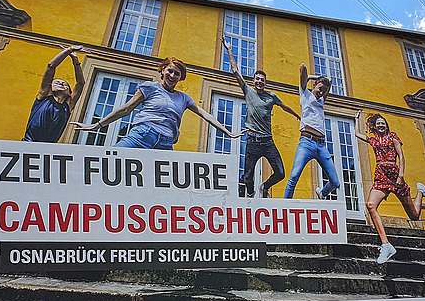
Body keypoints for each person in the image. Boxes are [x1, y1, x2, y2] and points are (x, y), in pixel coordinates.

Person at [73, 57, 238, 149]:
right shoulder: (150, 88)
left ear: (181, 78)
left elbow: (205, 115)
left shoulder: (184, 98)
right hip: (142, 135)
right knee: (112, 160)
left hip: (165, 143)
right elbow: (126, 109)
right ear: (162, 70)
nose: (173, 75)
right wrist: (99, 125)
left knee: (164, 185)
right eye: (170, 71)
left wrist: (227, 132)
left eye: (177, 74)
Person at [222, 39, 300, 198]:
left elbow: (284, 106)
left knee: (280, 173)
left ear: (265, 83)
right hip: (252, 142)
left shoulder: (272, 96)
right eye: (257, 79)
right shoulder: (248, 91)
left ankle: (264, 186)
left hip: (268, 142)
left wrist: (298, 116)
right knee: (247, 176)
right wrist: (229, 50)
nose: (259, 81)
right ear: (253, 81)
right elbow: (236, 71)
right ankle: (250, 194)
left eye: (262, 80)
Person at [355, 110, 425, 264]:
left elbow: (401, 156)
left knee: (414, 215)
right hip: (381, 175)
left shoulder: (393, 136)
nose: (380, 125)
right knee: (371, 205)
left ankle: (420, 192)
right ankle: (386, 245)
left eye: (383, 123)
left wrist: (401, 175)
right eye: (378, 124)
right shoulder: (374, 141)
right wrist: (356, 118)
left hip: (394, 174)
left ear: (386, 126)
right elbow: (358, 134)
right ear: (375, 127)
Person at [283, 63, 340, 199]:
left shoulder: (322, 100)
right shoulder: (305, 94)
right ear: (313, 86)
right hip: (306, 143)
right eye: (320, 89)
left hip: (321, 145)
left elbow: (330, 82)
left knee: (335, 182)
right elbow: (302, 68)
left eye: (324, 91)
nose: (321, 92)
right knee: (294, 177)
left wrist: (323, 83)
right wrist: (312, 77)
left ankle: (322, 193)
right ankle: (285, 205)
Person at [23, 45, 86, 142]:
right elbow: (51, 66)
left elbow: (80, 83)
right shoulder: (44, 97)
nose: (61, 83)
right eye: (57, 82)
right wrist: (69, 50)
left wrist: (76, 62)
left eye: (64, 84)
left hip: (48, 147)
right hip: (29, 142)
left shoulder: (68, 105)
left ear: (69, 93)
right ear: (50, 88)